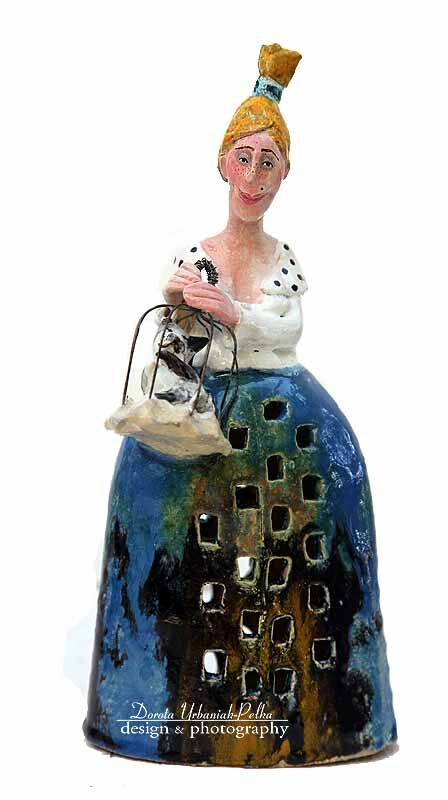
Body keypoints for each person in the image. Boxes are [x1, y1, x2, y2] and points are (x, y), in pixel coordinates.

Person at [84, 43, 397, 767]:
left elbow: (284, 332)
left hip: (289, 417)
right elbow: (180, 334)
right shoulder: (192, 256)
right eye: (244, 159)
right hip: (200, 414)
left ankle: (323, 714)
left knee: (317, 525)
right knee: (169, 537)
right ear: (222, 163)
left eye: (269, 164)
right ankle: (156, 704)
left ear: (285, 176)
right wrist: (188, 303)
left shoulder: (283, 260)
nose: (253, 178)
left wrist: (234, 313)